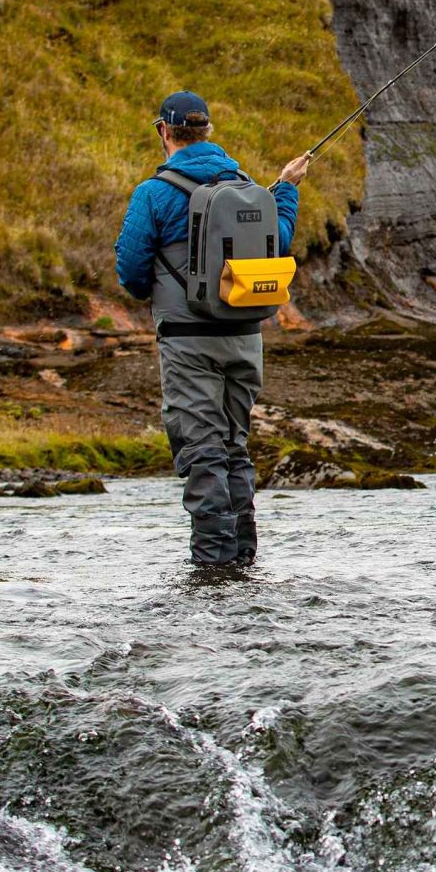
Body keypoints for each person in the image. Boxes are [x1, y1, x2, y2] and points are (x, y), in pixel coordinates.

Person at [114, 92, 310, 570]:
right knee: (232, 446)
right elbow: (279, 241)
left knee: (202, 452)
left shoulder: (154, 194)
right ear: (208, 132)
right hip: (245, 338)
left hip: (187, 341)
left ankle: (214, 573)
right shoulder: (249, 188)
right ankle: (243, 562)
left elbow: (131, 273)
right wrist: (286, 188)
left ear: (164, 131)